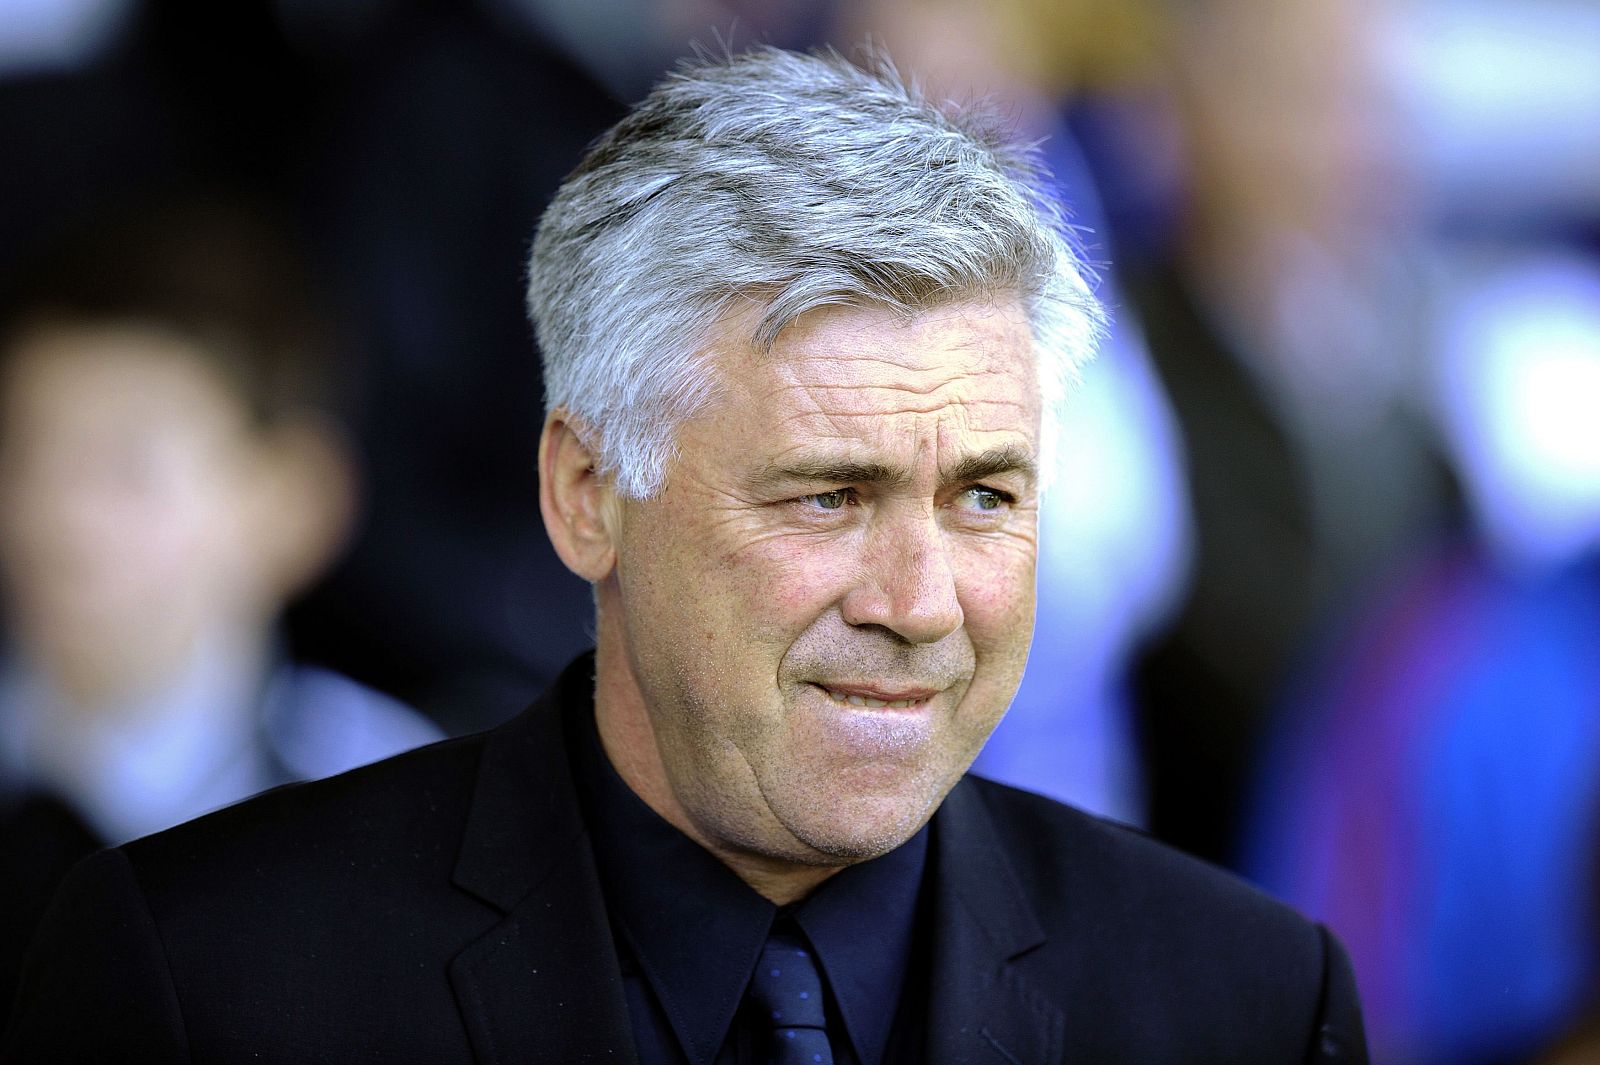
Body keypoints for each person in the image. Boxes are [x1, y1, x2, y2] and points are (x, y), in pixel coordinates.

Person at [4, 48, 1367, 1063]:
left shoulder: (1242, 1001)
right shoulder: (210, 978)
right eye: (829, 497)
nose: (921, 601)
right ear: (587, 493)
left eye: (986, 498)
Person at [0, 197, 441, 1008]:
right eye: (24, 449)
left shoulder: (392, 807)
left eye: (126, 468)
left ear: (294, 501)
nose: (50, 515)